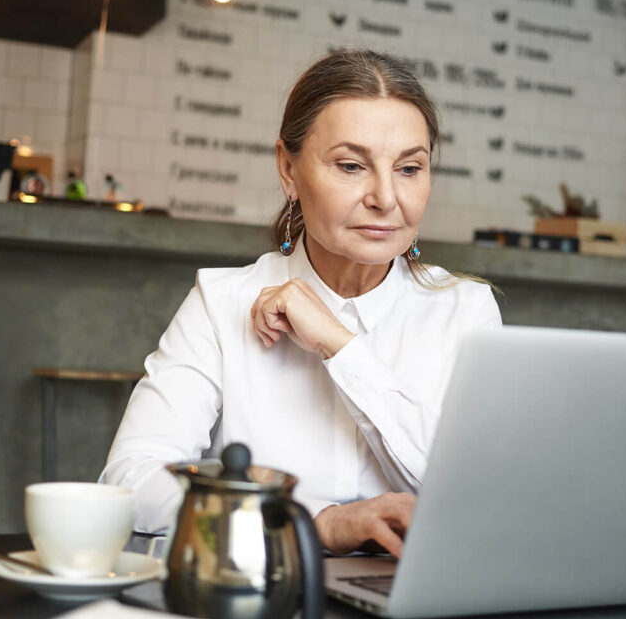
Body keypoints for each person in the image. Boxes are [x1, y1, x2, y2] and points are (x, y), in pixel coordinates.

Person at [101, 48, 502, 558]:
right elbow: (131, 484)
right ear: (288, 170)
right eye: (352, 165)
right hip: (262, 593)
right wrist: (314, 524)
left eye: (409, 168)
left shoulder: (466, 311)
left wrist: (340, 345)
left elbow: (476, 498)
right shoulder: (222, 302)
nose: (386, 197)